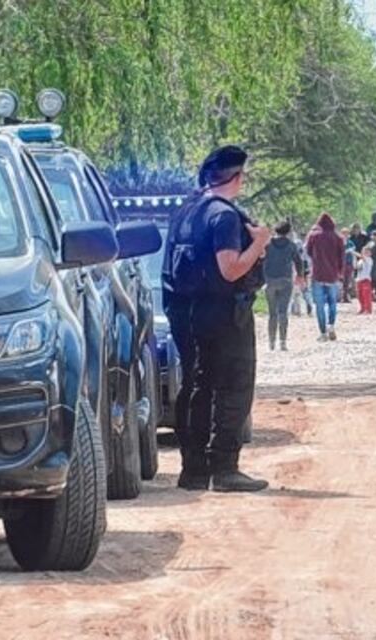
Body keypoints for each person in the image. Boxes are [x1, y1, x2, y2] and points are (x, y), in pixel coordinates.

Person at [166, 145, 271, 492]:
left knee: (197, 387)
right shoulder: (224, 216)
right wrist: (258, 244)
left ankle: (194, 470)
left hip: (187, 312)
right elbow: (230, 269)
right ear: (237, 177)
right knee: (234, 387)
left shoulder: (186, 211)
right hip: (225, 314)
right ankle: (225, 468)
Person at [262, 221, 303, 351]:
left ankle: (271, 342)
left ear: (275, 230)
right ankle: (283, 342)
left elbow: (260, 259)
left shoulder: (268, 245)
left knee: (272, 313)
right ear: (288, 231)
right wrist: (300, 276)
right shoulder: (291, 245)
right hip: (285, 280)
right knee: (283, 312)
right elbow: (298, 261)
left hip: (269, 280)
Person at [306, 212, 346, 341]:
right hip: (333, 275)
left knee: (319, 305)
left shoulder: (314, 237)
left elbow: (308, 252)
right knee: (332, 302)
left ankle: (323, 332)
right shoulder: (338, 238)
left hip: (317, 274)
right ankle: (331, 325)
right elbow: (342, 258)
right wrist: (340, 272)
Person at [355, 244, 374, 314]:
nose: (365, 253)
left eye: (367, 252)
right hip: (359, 279)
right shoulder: (360, 261)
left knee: (366, 295)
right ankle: (362, 308)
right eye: (364, 251)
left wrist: (353, 252)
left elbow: (362, 257)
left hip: (366, 280)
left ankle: (368, 309)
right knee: (359, 295)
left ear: (370, 253)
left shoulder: (369, 260)